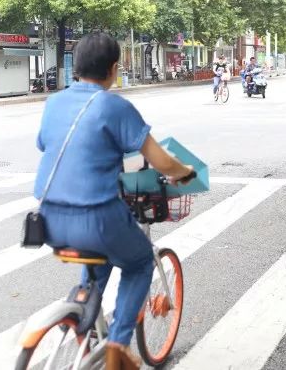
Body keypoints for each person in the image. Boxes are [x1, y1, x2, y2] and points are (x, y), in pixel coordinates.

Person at [34, 32, 194, 370]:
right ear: (113, 68)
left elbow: (49, 145)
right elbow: (162, 162)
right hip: (97, 218)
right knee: (137, 264)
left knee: (100, 259)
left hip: (48, 220)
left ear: (75, 68)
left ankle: (83, 321)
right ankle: (117, 347)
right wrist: (184, 172)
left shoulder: (53, 103)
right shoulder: (114, 106)